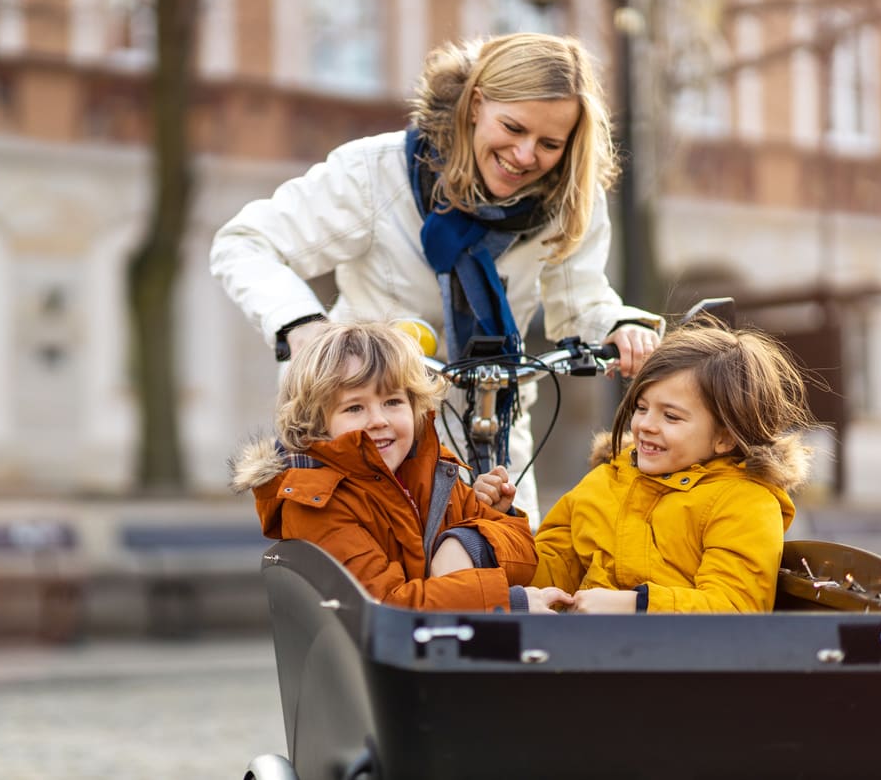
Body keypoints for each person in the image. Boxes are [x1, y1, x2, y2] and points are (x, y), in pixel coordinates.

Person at [210, 32, 664, 524]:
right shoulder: (377, 173)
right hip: (373, 421)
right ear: (476, 105)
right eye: (512, 128)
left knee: (517, 553)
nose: (525, 155)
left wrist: (618, 326)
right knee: (374, 559)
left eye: (550, 144)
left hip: (494, 417)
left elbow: (580, 302)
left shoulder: (571, 197)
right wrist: (301, 325)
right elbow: (245, 242)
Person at [229, 320, 573, 613]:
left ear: (414, 405)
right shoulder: (317, 501)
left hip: (441, 652)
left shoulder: (431, 471)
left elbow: (525, 554)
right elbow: (385, 605)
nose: (378, 420)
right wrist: (509, 601)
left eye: (393, 401)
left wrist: (471, 540)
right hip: (375, 664)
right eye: (354, 408)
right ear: (318, 423)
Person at [524, 321, 819, 613]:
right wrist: (504, 524)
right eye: (641, 408)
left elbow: (733, 607)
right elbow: (547, 570)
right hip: (586, 642)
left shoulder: (745, 503)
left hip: (672, 646)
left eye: (671, 417)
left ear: (725, 437)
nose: (646, 425)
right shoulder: (605, 482)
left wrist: (635, 605)